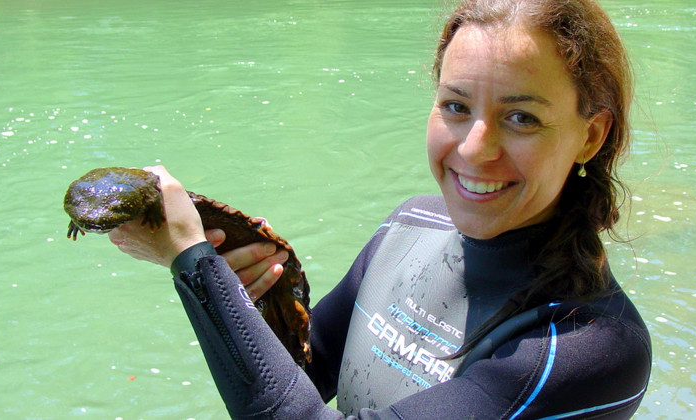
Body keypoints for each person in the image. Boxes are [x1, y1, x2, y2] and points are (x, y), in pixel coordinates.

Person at [108, 0, 651, 418]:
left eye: (523, 118)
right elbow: (307, 371)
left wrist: (193, 263)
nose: (473, 148)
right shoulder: (411, 225)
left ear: (591, 135)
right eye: (456, 106)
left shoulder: (586, 346)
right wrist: (259, 292)